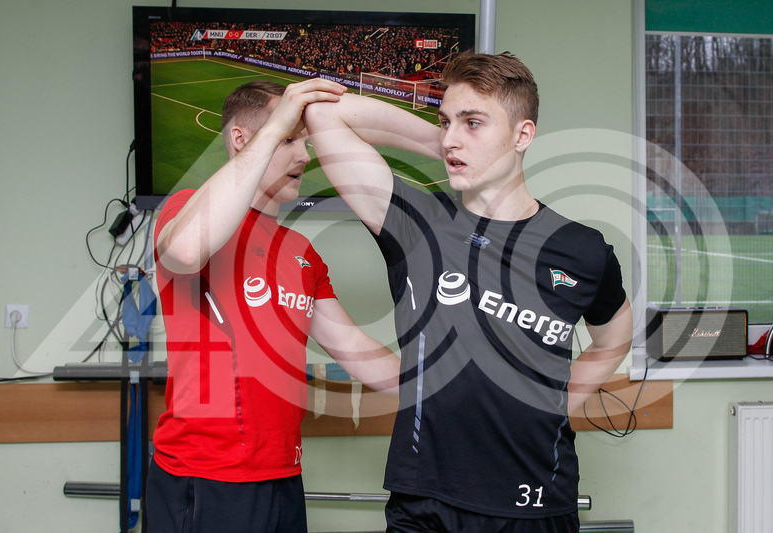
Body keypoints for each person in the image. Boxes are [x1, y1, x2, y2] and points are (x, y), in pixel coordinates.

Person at [304, 52, 633, 532]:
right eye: (446, 122)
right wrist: (445, 143)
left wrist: (561, 402)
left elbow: (613, 340)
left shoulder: (582, 250)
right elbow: (323, 113)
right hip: (426, 503)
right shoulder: (417, 224)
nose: (451, 137)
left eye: (473, 122)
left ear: (522, 135)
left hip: (536, 506)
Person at [147, 78, 401, 533]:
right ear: (241, 139)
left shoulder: (301, 251)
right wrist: (272, 131)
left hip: (283, 474)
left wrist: (449, 385)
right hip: (205, 477)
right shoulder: (186, 209)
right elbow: (183, 252)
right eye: (288, 140)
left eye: (305, 142)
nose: (304, 156)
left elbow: (354, 348)